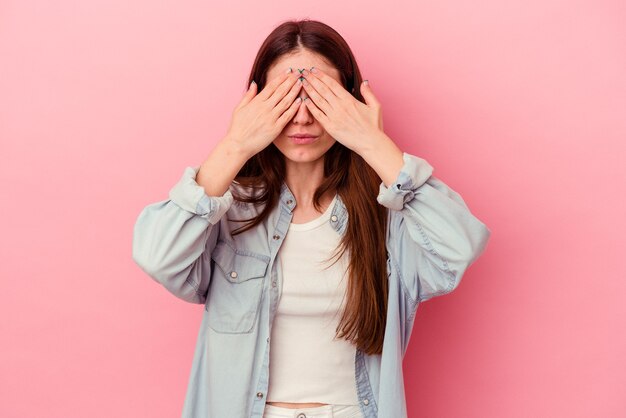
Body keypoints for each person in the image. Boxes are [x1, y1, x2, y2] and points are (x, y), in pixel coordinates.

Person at [132, 19, 491, 418]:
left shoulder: (386, 210)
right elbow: (157, 255)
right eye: (284, 98)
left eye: (320, 98)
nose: (302, 117)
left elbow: (459, 248)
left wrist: (372, 142)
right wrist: (235, 144)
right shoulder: (228, 209)